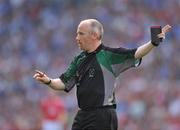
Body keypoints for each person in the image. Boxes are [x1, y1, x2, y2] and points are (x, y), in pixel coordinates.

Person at [33, 19, 171, 130]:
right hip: (83, 114)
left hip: (103, 115)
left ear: (95, 35)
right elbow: (63, 83)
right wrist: (48, 81)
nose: (76, 38)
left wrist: (153, 42)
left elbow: (136, 53)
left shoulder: (109, 56)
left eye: (81, 33)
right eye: (77, 34)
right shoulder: (78, 59)